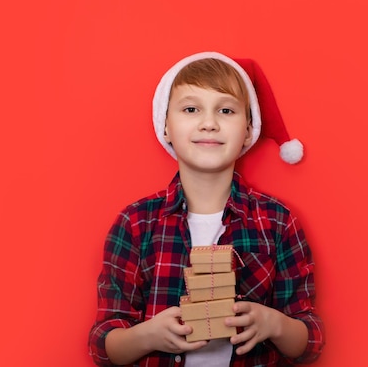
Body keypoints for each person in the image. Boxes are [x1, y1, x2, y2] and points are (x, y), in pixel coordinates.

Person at [88, 52, 324, 366]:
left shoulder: (279, 222)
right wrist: (149, 335)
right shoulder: (135, 223)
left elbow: (310, 341)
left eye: (226, 110)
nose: (209, 123)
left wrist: (274, 324)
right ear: (166, 126)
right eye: (190, 109)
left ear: (248, 130)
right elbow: (103, 345)